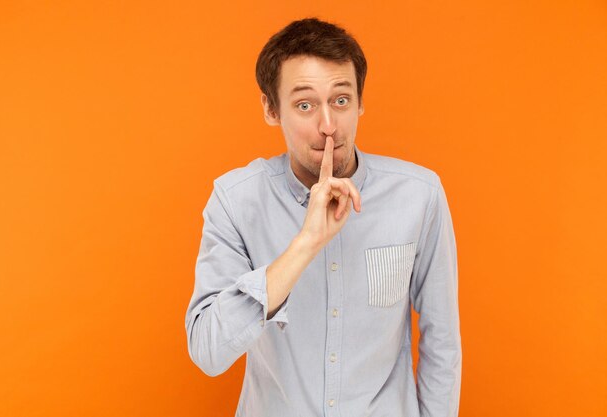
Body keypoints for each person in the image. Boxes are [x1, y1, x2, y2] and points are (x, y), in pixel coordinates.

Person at [185, 17, 461, 417]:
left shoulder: (419, 196)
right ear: (270, 109)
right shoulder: (235, 200)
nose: (328, 126)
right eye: (304, 105)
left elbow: (443, 345)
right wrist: (306, 243)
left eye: (341, 100)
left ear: (361, 102)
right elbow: (208, 351)